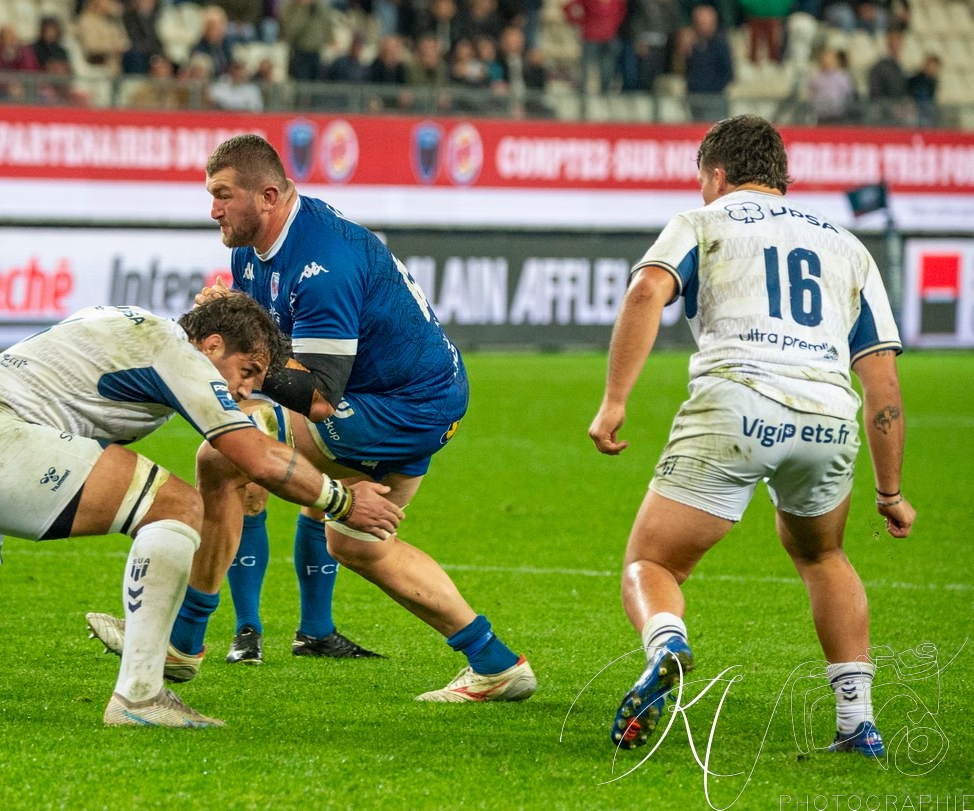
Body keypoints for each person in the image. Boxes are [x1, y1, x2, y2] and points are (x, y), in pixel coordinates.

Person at [0, 296, 403, 725]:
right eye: (248, 368)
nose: (246, 388)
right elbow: (252, 455)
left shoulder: (133, 331)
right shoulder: (174, 349)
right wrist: (344, 497)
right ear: (209, 342)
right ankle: (141, 693)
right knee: (179, 503)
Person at [91, 134, 536, 701]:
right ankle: (497, 662)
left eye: (224, 195)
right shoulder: (254, 249)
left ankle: (183, 643)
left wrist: (241, 368)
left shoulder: (323, 264)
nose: (213, 209)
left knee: (222, 458)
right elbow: (266, 341)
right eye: (211, 195)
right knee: (357, 544)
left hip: (401, 407)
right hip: (416, 398)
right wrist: (222, 313)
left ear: (269, 195)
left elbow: (319, 396)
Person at [588, 114, 914, 756]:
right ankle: (858, 722)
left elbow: (648, 288)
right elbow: (882, 384)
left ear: (716, 174)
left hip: (737, 404)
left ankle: (667, 645)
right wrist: (890, 493)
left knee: (651, 562)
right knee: (823, 556)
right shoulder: (849, 247)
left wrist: (614, 402)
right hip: (827, 417)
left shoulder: (703, 221)